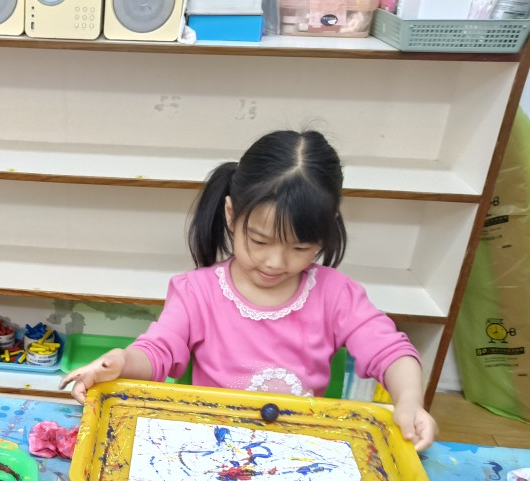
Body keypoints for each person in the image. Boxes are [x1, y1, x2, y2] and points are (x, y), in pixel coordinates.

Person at [60, 129, 438, 451]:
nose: (275, 262)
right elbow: (158, 352)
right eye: (259, 241)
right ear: (231, 215)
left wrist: (409, 400)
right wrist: (122, 362)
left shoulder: (337, 296)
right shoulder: (197, 293)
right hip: (212, 445)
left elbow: (391, 352)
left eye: (300, 248)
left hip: (301, 451)